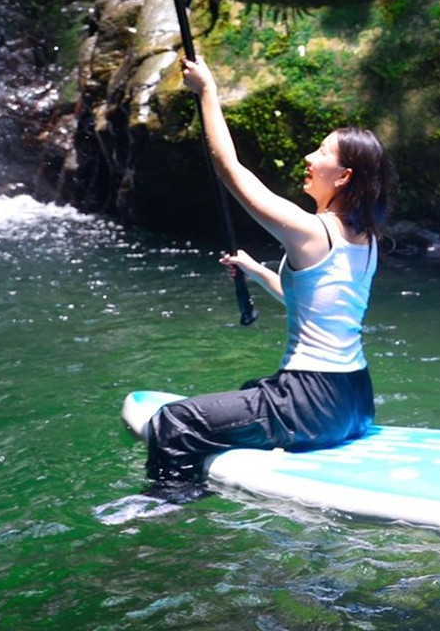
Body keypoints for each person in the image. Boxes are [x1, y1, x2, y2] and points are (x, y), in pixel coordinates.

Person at [140, 56, 395, 494]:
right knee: (248, 390)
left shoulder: (310, 230)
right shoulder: (367, 239)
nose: (309, 157)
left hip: (310, 400)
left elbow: (229, 170)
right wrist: (258, 272)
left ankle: (166, 512)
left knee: (173, 423)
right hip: (354, 401)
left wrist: (208, 93)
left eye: (322, 152)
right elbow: (317, 304)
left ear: (344, 175)